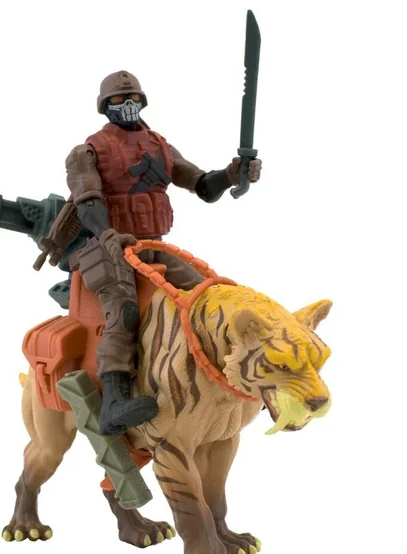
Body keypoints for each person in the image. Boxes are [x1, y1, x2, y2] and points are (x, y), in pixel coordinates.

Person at [43, 70, 262, 436]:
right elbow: (89, 201)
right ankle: (114, 402)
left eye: (133, 99)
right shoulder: (88, 152)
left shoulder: (159, 146)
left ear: (143, 102)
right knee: (124, 311)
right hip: (107, 247)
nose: (127, 105)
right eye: (118, 100)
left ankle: (238, 370)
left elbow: (203, 186)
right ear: (104, 106)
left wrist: (231, 173)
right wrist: (108, 234)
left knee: (209, 294)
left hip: (152, 245)